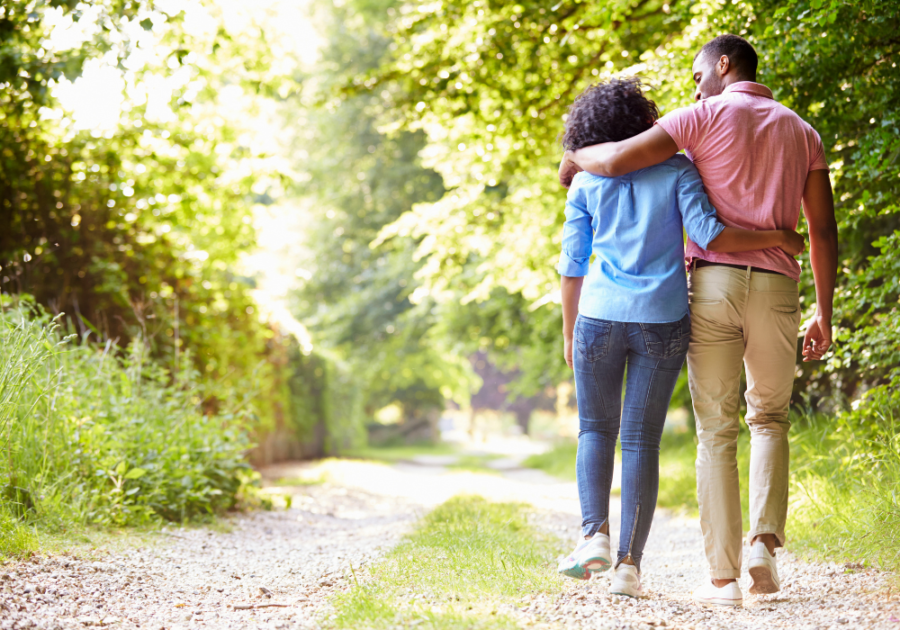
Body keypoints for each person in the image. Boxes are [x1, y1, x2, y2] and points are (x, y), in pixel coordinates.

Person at [558, 34, 838, 607]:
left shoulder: (698, 118)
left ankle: (721, 579)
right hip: (767, 289)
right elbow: (823, 229)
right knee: (770, 418)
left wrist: (574, 154)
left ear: (723, 65)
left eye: (697, 73)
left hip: (702, 288)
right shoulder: (801, 131)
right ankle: (760, 543)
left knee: (712, 429)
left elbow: (607, 173)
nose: (693, 85)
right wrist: (822, 309)